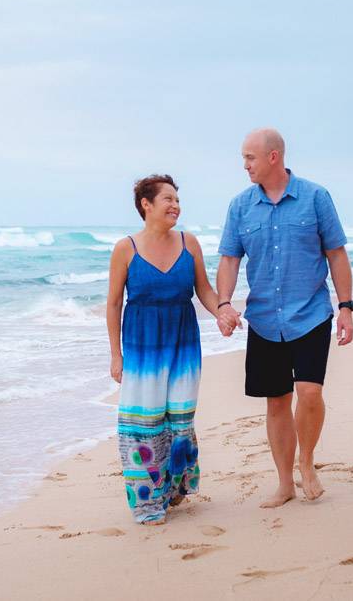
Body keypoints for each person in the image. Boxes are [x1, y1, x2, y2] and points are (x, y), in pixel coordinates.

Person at [216, 127, 353, 508]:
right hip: (262, 319)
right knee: (276, 402)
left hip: (310, 313)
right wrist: (224, 304)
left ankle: (307, 462)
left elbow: (337, 255)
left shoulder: (315, 197)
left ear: (273, 157)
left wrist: (346, 307)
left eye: (250, 157)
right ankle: (285, 483)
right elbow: (229, 259)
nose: (244, 165)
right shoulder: (240, 206)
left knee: (309, 393)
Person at [107, 174, 227, 525]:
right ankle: (145, 502)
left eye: (177, 199)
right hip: (143, 346)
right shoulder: (125, 248)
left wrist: (222, 310)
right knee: (143, 424)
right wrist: (116, 355)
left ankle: (173, 489)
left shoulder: (189, 243)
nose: (176, 205)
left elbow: (203, 289)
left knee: (180, 420)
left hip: (184, 342)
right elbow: (114, 304)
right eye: (168, 199)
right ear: (147, 205)